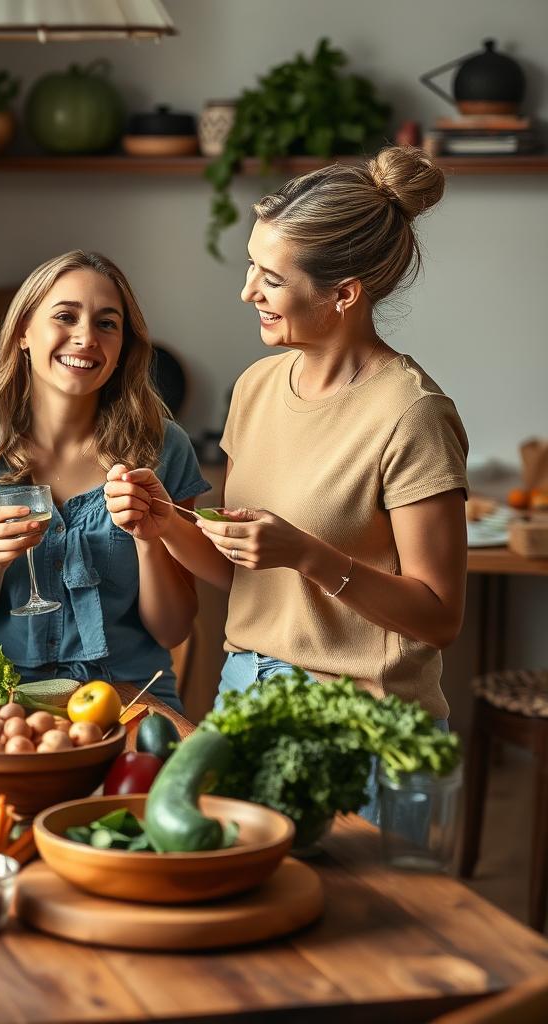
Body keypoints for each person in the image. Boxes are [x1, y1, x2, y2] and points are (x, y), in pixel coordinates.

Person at [106, 146, 469, 741]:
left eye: (272, 278)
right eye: (251, 267)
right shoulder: (256, 386)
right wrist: (163, 525)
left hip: (365, 721)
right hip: (245, 698)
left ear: (344, 294)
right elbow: (242, 574)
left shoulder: (412, 414)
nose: (249, 292)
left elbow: (439, 617)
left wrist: (308, 554)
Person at [0, 251, 207, 711]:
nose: (85, 338)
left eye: (107, 324)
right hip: (2, 696)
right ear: (23, 332)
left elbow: (174, 629)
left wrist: (148, 539)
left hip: (129, 692)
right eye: (65, 316)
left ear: (123, 348)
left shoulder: (163, 449)